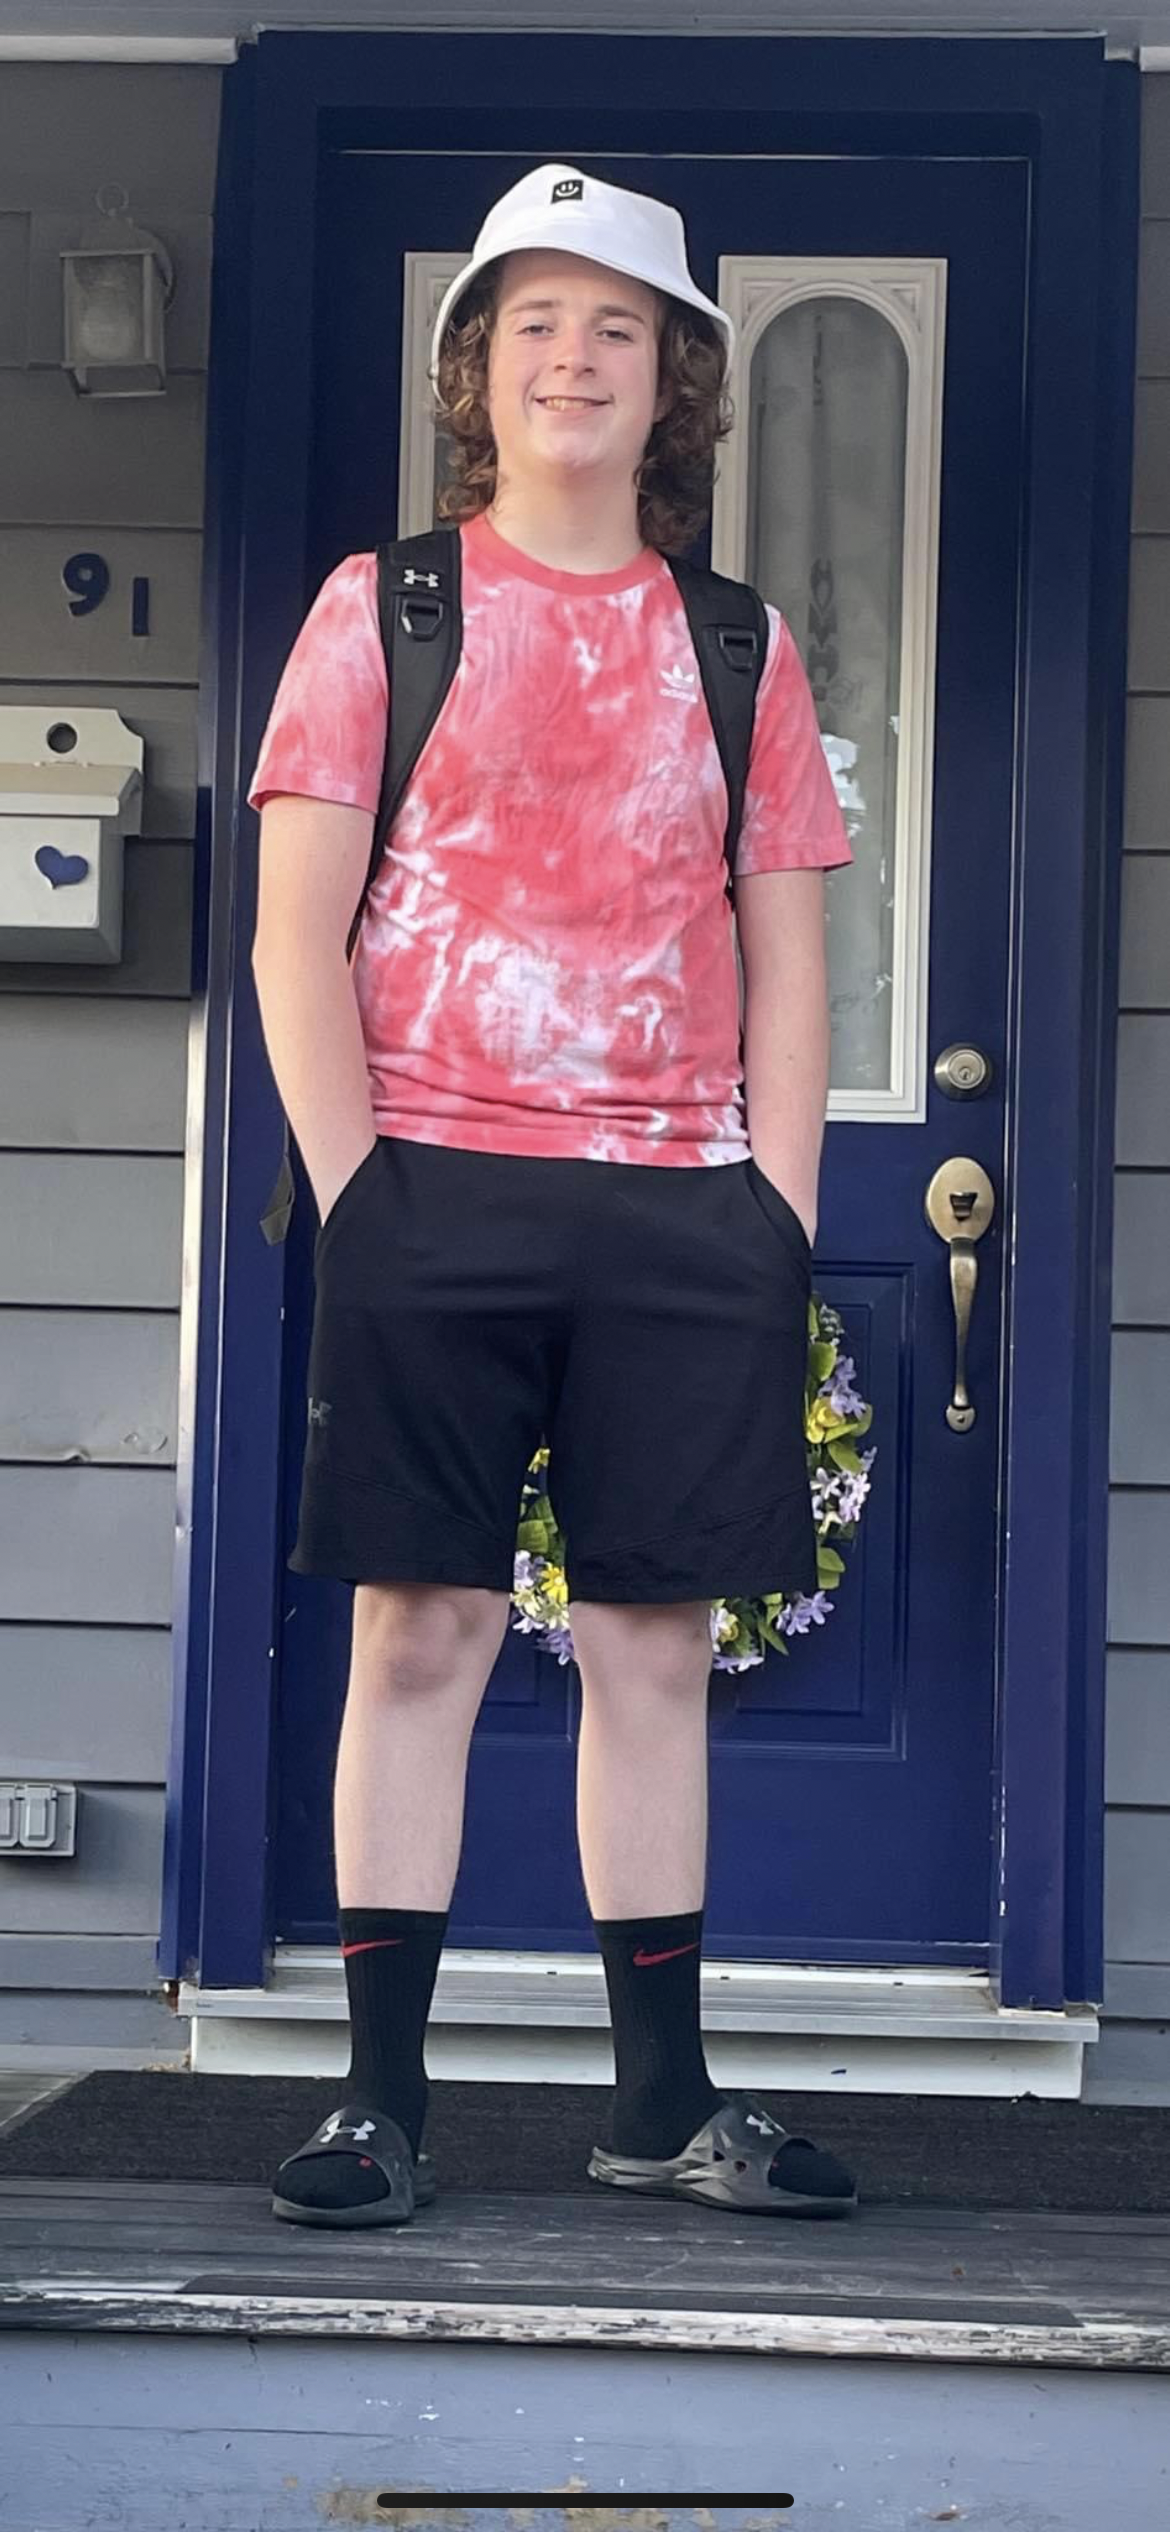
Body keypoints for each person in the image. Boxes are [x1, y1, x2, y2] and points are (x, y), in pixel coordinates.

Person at [247, 163, 858, 2229]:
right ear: (476, 372)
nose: (574, 360)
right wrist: (362, 1193)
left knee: (652, 1645)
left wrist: (775, 1211)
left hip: (681, 1205)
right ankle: (377, 2103)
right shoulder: (386, 609)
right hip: (429, 1179)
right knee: (416, 1629)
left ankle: (663, 2103)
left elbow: (789, 954)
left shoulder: (736, 644)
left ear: (674, 380)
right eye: (535, 324)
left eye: (617, 329)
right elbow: (294, 935)